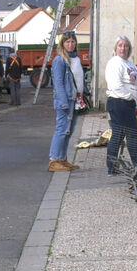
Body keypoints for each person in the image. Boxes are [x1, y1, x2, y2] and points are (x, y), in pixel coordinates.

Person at [105, 35, 137, 175]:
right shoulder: (114, 63)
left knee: (119, 135)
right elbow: (116, 86)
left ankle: (113, 168)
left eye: (126, 45)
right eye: (120, 45)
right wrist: (130, 98)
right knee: (130, 135)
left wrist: (136, 103)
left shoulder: (130, 64)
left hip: (129, 105)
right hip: (119, 102)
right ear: (116, 48)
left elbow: (136, 85)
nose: (123, 48)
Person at [48, 31, 82, 172]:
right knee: (62, 130)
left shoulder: (75, 58)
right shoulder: (60, 60)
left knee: (68, 131)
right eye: (67, 42)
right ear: (62, 44)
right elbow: (58, 83)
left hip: (74, 100)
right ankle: (54, 160)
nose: (70, 44)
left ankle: (62, 159)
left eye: (73, 41)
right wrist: (63, 103)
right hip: (66, 101)